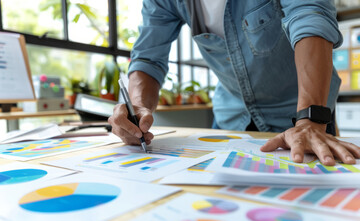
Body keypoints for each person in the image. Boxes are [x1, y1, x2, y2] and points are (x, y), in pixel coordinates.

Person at [109, 0, 360, 166]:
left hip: (305, 116)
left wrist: (311, 118)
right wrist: (138, 108)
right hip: (231, 117)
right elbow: (148, 57)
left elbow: (310, 14)